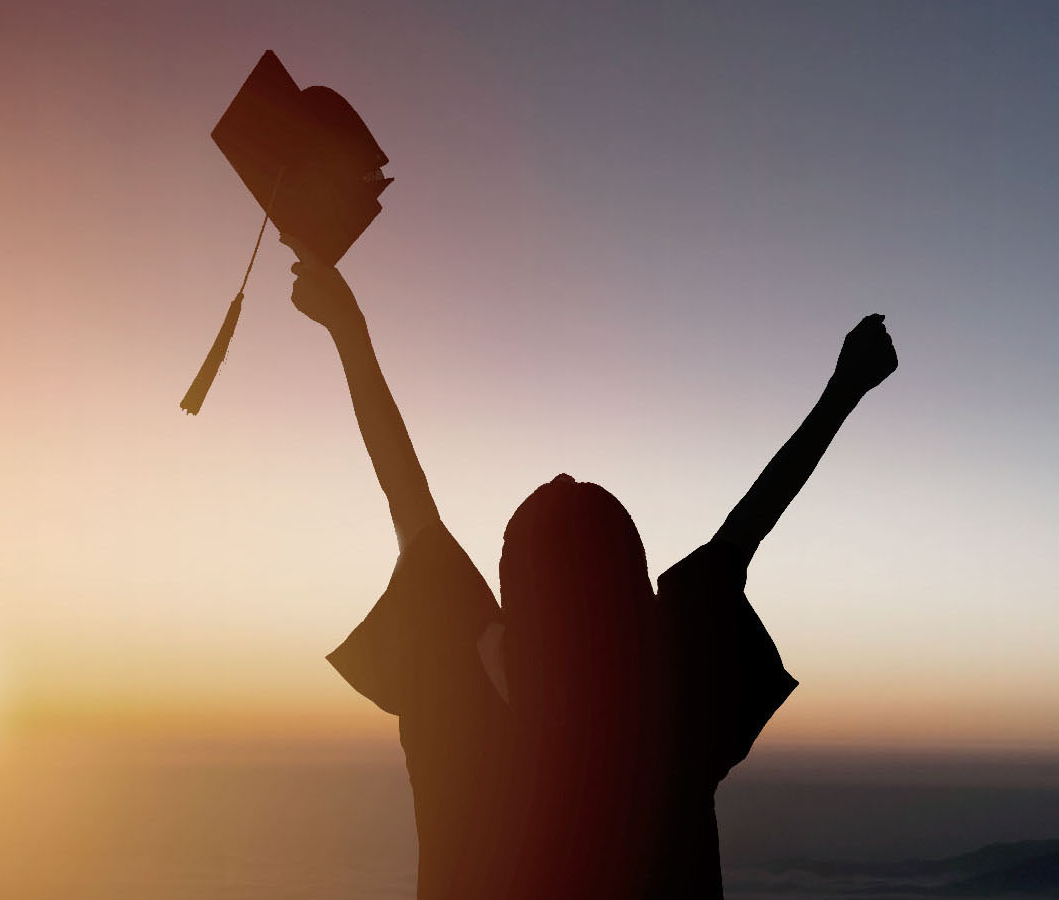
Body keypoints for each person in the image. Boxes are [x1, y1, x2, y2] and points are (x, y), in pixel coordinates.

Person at [284, 236, 898, 899]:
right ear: (630, 588)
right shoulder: (672, 702)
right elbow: (747, 528)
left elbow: (406, 498)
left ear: (516, 587)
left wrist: (348, 331)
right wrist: (844, 390)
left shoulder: (454, 690)